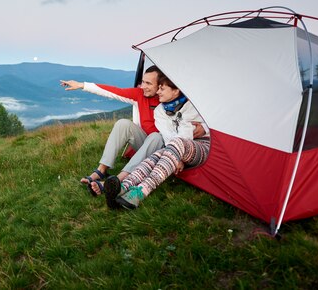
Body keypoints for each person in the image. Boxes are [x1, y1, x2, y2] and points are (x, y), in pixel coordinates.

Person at [61, 65, 204, 196]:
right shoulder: (140, 95)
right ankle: (101, 170)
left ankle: (119, 180)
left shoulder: (168, 100)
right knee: (123, 123)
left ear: (160, 85)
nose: (143, 86)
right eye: (143, 82)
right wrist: (82, 85)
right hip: (144, 143)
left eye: (149, 83)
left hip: (165, 149)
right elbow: (113, 92)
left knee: (156, 136)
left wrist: (202, 129)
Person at [103, 75, 210, 209]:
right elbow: (167, 135)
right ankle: (123, 188)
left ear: (176, 91)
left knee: (177, 143)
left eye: (162, 88)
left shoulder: (194, 106)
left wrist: (205, 128)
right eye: (158, 88)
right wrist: (177, 156)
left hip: (202, 146)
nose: (158, 92)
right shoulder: (160, 111)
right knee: (154, 157)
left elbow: (207, 125)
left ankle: (142, 190)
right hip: (175, 148)